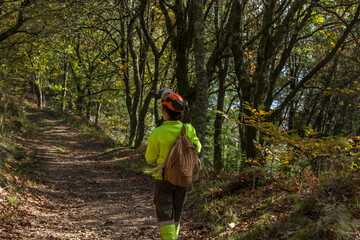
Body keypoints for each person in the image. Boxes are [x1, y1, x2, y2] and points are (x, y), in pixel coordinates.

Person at [145, 92, 201, 240]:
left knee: (165, 216)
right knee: (176, 213)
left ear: (165, 112)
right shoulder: (188, 129)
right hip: (184, 177)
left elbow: (149, 158)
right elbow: (197, 148)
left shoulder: (158, 132)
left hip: (163, 179)